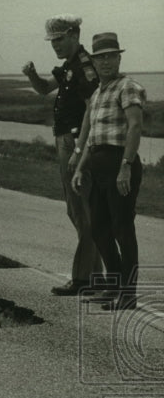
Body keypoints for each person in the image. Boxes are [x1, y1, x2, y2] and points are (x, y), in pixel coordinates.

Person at [22, 14, 101, 295]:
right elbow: (44, 89)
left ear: (74, 35)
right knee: (76, 209)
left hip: (76, 140)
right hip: (65, 140)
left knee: (82, 210)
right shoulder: (69, 66)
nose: (54, 45)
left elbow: (93, 110)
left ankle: (83, 279)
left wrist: (80, 149)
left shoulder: (83, 67)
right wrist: (31, 75)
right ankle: (95, 276)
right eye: (51, 41)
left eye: (59, 39)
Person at [71, 32, 146, 311]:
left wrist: (125, 167)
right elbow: (92, 138)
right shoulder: (98, 93)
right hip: (98, 165)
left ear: (119, 58)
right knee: (100, 228)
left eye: (111, 56)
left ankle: (129, 294)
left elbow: (135, 127)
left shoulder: (128, 87)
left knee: (122, 229)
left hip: (120, 163)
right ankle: (114, 287)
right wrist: (80, 168)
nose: (105, 62)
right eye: (100, 57)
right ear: (93, 60)